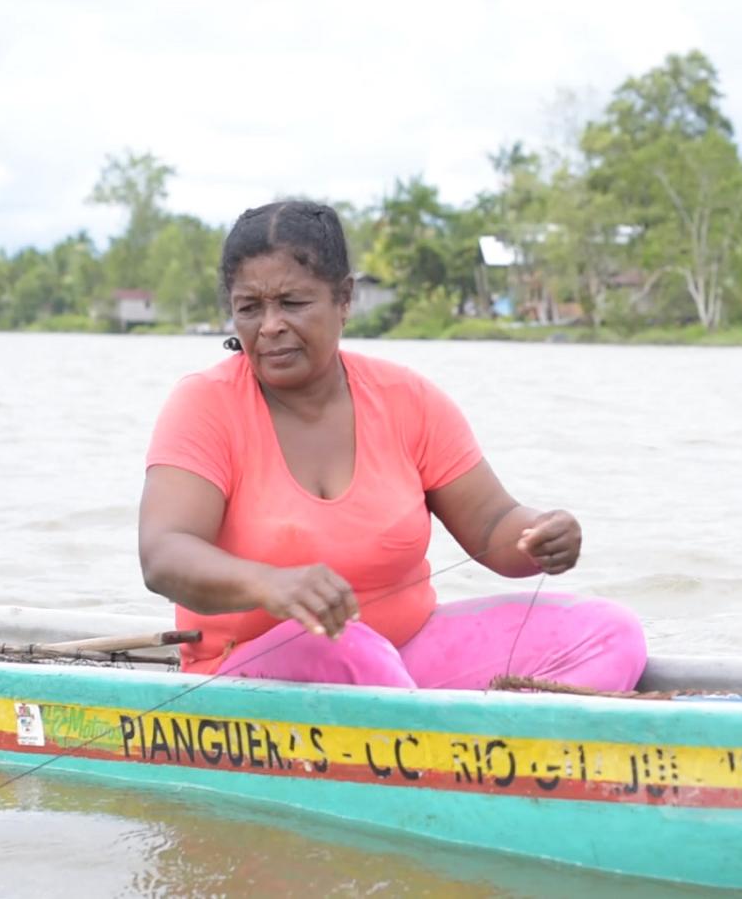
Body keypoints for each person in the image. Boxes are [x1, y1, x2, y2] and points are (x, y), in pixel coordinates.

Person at [138, 201, 646, 691]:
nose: (270, 325)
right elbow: (164, 554)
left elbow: (493, 525)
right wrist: (269, 584)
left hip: (405, 656)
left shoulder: (407, 398)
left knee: (609, 632)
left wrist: (542, 534)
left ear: (344, 299)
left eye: (292, 303)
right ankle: (445, 738)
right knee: (345, 647)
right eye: (250, 308)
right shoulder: (205, 404)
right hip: (247, 675)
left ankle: (482, 742)